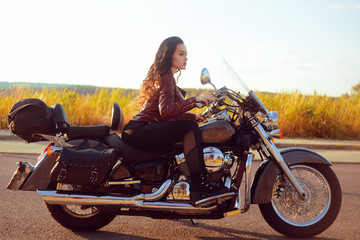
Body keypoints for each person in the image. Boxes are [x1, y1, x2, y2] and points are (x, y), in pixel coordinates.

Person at [122, 36, 227, 200]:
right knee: (189, 128)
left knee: (190, 124)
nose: (186, 58)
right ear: (169, 55)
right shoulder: (166, 77)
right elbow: (165, 111)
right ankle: (199, 183)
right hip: (139, 130)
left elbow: (173, 113)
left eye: (186, 54)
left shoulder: (166, 77)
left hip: (140, 129)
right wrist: (195, 100)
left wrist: (195, 116)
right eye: (181, 54)